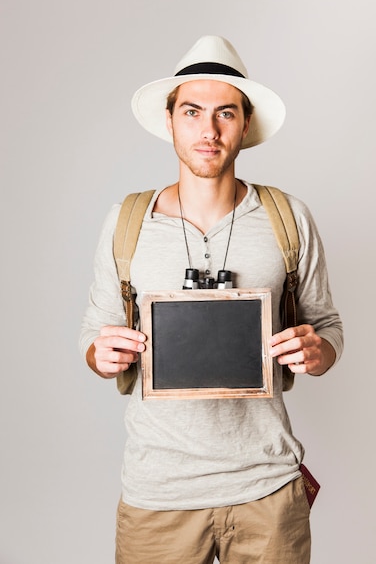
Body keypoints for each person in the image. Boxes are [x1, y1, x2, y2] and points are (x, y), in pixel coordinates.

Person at [80, 35, 343, 564]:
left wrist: (319, 351)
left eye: (225, 113)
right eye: (193, 111)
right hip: (159, 493)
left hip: (267, 489)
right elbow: (95, 334)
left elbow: (328, 326)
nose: (208, 129)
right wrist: (100, 355)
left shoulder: (286, 218)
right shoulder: (127, 222)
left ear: (245, 125)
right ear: (170, 120)